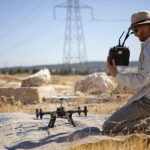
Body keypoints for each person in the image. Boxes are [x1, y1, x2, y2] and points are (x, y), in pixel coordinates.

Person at [102, 10, 150, 134]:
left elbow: (141, 79)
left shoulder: (149, 49)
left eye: (136, 30)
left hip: (146, 104)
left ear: (147, 27)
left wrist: (116, 74)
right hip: (145, 100)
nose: (134, 34)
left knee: (109, 127)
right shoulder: (147, 46)